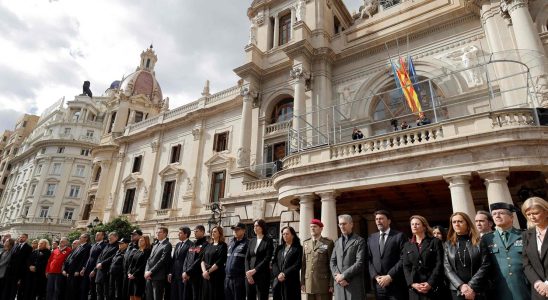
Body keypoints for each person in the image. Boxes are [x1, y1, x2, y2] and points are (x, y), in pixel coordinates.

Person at [482, 202, 529, 300]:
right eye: (494, 214)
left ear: (512, 217)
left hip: (523, 285)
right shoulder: (487, 239)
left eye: (501, 213)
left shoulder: (524, 235)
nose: (497, 216)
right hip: (499, 288)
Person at [444, 212, 490, 300]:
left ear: (467, 223)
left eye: (460, 221)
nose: (456, 224)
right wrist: (461, 286)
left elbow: (485, 264)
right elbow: (447, 267)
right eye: (454, 222)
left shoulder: (479, 241)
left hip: (478, 288)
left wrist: (470, 286)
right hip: (457, 290)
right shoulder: (448, 244)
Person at [367, 210, 408, 300]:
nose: (378, 221)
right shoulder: (371, 238)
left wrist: (389, 276)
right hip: (378, 284)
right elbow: (368, 259)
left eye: (381, 218)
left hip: (395, 283)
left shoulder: (399, 236)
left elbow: (404, 258)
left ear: (389, 221)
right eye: (376, 219)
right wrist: (376, 276)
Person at [402, 215, 444, 300]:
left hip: (432, 287)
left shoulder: (435, 242)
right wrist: (412, 284)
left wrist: (430, 283)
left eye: (417, 224)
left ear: (424, 226)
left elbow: (439, 264)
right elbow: (406, 266)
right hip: (415, 289)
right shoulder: (407, 245)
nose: (414, 226)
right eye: (412, 224)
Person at [330, 214, 366, 300]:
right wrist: (337, 277)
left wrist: (344, 276)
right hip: (339, 285)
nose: (342, 226)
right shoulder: (337, 242)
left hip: (353, 285)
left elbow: (359, 263)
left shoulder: (359, 241)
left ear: (351, 224)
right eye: (340, 224)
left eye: (344, 224)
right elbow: (332, 261)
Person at [521, 197, 548, 299]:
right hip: (538, 292)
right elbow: (526, 263)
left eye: (535, 213)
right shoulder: (526, 235)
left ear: (546, 212)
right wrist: (537, 283)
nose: (532, 217)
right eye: (528, 214)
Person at [301, 218, 334, 300]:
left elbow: (332, 264)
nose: (312, 228)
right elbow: (303, 264)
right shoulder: (306, 243)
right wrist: (302, 282)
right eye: (311, 227)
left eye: (315, 226)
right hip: (309, 283)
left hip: (323, 284)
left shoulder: (328, 243)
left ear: (321, 228)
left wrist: (331, 283)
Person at [245, 219, 274, 300]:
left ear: (262, 227)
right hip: (250, 275)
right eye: (254, 226)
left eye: (257, 226)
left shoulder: (268, 240)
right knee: (250, 297)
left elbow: (267, 258)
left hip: (262, 275)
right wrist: (248, 273)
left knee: (262, 297)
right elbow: (247, 258)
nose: (255, 228)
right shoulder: (251, 241)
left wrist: (255, 270)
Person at [272, 226, 302, 300]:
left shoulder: (298, 248)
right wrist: (278, 274)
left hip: (291, 281)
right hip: (278, 280)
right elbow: (274, 262)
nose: (285, 236)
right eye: (283, 234)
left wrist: (284, 274)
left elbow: (297, 264)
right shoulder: (279, 248)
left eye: (287, 234)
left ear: (293, 235)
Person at [145, 226, 172, 300]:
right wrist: (146, 271)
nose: (157, 234)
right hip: (149, 276)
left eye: (160, 232)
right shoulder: (155, 244)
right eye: (157, 232)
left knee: (157, 297)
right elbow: (149, 259)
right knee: (149, 297)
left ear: (165, 234)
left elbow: (162, 260)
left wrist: (151, 272)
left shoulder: (167, 245)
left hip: (158, 276)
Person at [201, 226, 228, 300]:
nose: (213, 233)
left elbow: (220, 261)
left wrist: (208, 272)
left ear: (220, 233)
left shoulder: (223, 245)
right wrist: (204, 272)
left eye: (215, 231)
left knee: (215, 295)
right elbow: (202, 260)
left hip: (216, 275)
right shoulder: (208, 245)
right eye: (212, 232)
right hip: (206, 276)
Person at [183, 225, 208, 300]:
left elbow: (199, 260)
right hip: (187, 276)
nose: (194, 233)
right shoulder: (193, 244)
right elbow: (187, 258)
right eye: (194, 231)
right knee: (187, 296)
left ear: (202, 232)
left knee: (195, 296)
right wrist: (184, 271)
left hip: (196, 276)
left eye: (196, 231)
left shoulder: (205, 244)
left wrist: (188, 272)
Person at [63, 233, 91, 300]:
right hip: (70, 271)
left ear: (86, 238)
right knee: (69, 289)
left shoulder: (88, 247)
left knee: (75, 289)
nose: (79, 238)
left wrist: (78, 270)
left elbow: (84, 260)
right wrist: (65, 270)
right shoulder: (79, 247)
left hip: (76, 272)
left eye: (81, 237)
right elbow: (71, 258)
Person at [225, 222, 248, 300]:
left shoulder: (247, 243)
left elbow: (248, 261)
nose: (235, 231)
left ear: (243, 231)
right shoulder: (230, 243)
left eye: (237, 229)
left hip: (239, 280)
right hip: (227, 279)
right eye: (234, 229)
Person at [93, 232, 119, 300]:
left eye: (111, 237)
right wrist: (98, 263)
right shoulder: (107, 245)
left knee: (106, 294)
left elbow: (112, 257)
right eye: (109, 237)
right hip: (99, 272)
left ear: (116, 238)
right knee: (99, 293)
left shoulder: (117, 246)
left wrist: (102, 264)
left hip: (107, 272)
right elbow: (100, 256)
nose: (109, 238)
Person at [170, 226, 193, 300]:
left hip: (183, 275)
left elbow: (190, 260)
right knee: (174, 295)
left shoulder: (191, 245)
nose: (178, 235)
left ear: (185, 234)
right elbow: (174, 259)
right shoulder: (177, 244)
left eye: (180, 233)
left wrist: (186, 272)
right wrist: (170, 273)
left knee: (182, 296)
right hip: (175, 275)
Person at [83, 231, 107, 300]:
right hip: (88, 269)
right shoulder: (93, 245)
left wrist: (94, 270)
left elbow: (100, 259)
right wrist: (84, 268)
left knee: (94, 290)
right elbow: (89, 258)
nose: (96, 236)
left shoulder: (104, 245)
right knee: (87, 289)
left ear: (102, 236)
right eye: (96, 235)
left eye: (98, 235)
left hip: (96, 271)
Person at [128, 235, 152, 300]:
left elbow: (144, 265)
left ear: (146, 242)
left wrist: (134, 274)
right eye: (139, 240)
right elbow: (131, 263)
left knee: (137, 295)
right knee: (131, 295)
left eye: (142, 240)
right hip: (131, 276)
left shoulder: (147, 251)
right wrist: (129, 272)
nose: (140, 242)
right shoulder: (137, 251)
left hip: (139, 277)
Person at [13, 233, 33, 300]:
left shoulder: (29, 248)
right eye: (20, 237)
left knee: (20, 288)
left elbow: (27, 260)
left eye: (23, 237)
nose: (21, 238)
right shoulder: (16, 246)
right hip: (13, 270)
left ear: (26, 238)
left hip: (21, 272)